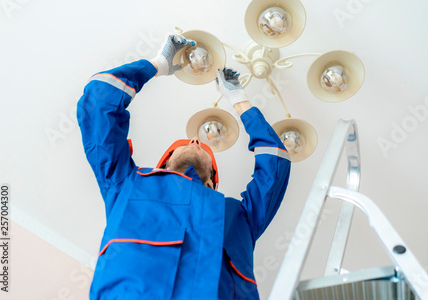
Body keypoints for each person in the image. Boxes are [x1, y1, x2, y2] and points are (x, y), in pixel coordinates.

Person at [77, 33, 292, 299]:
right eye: (186, 143)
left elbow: (276, 163)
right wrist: (157, 65)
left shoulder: (240, 218)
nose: (194, 139)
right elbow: (98, 102)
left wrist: (239, 100)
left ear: (213, 183)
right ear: (163, 164)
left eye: (202, 147)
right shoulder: (125, 183)